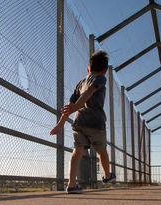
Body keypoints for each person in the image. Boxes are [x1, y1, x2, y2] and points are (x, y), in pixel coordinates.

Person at [50, 50, 116, 194]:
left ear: (88, 68)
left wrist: (61, 123)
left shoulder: (81, 82)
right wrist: (78, 106)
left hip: (79, 122)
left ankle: (72, 184)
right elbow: (90, 91)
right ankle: (107, 175)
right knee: (101, 149)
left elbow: (69, 104)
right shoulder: (100, 78)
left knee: (77, 151)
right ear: (105, 70)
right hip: (95, 122)